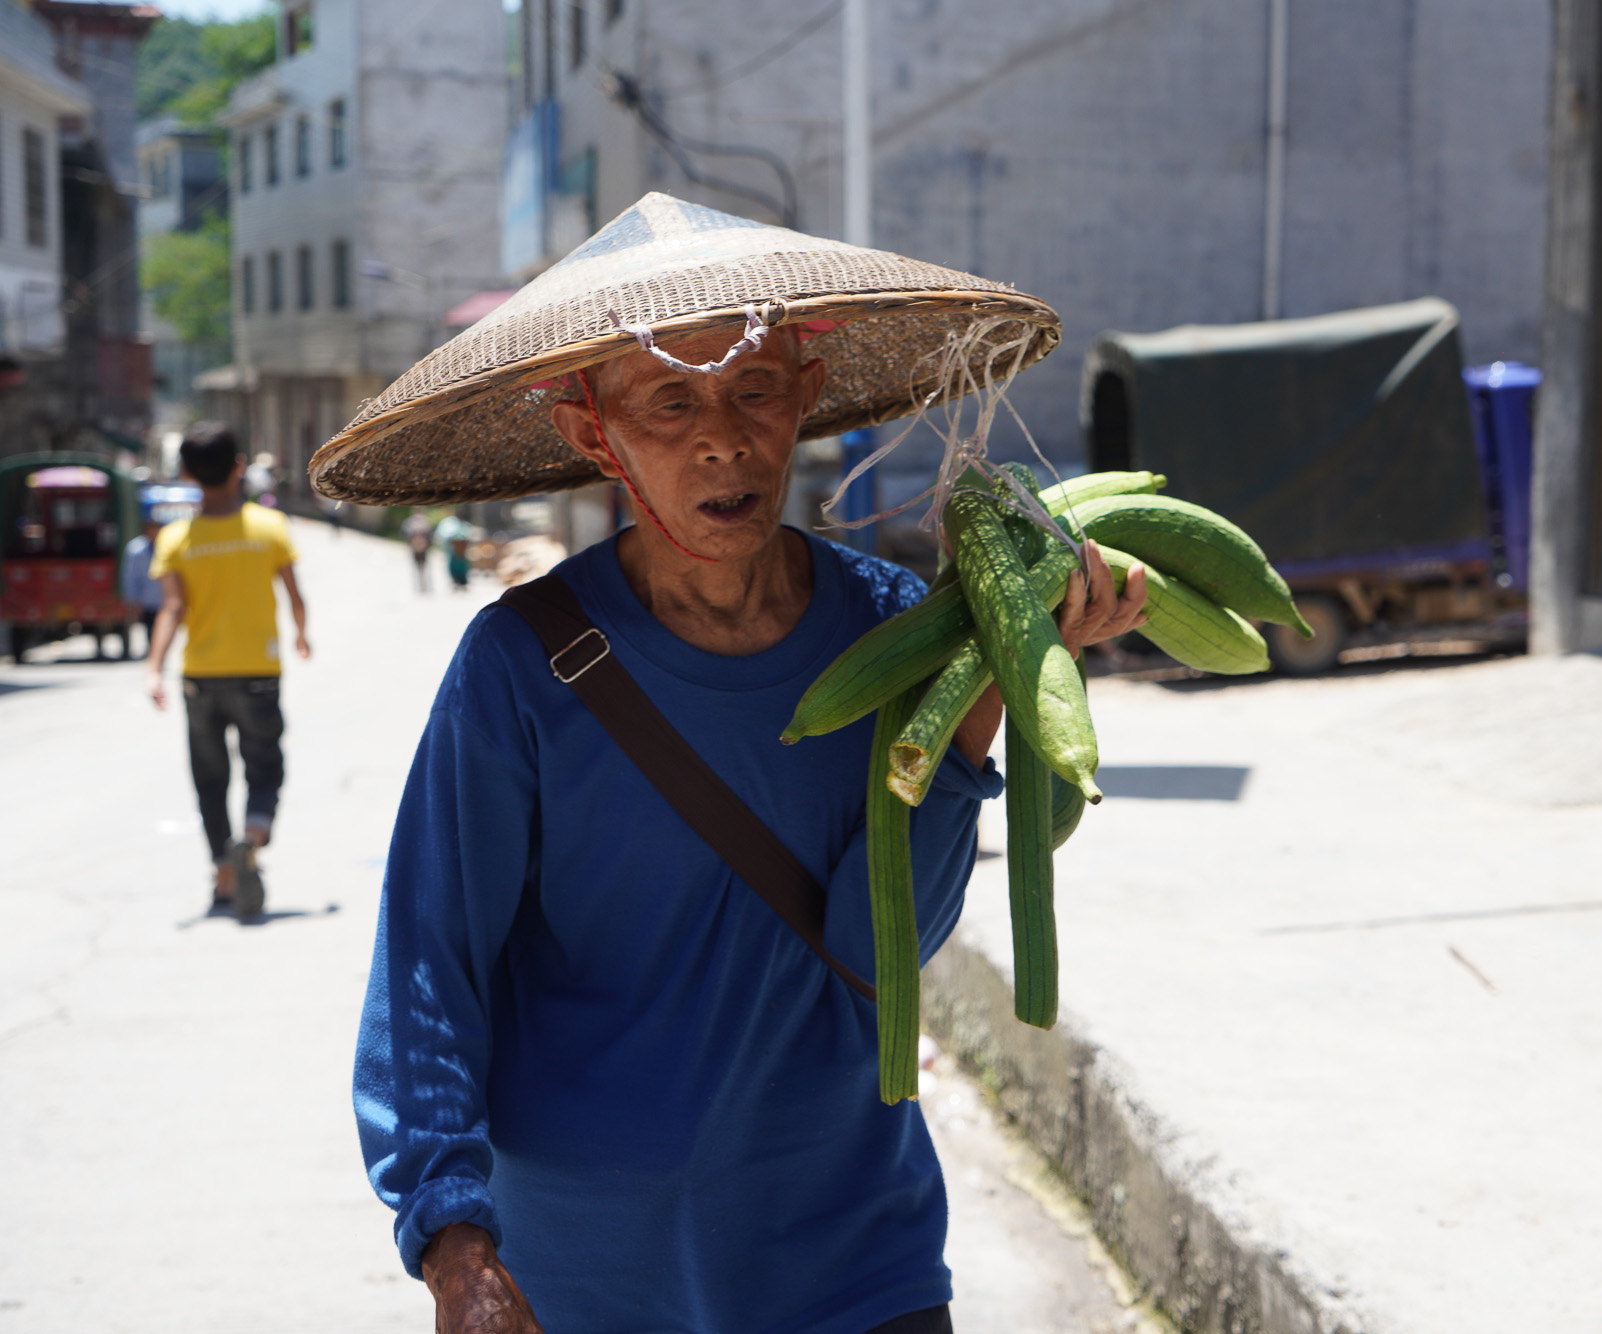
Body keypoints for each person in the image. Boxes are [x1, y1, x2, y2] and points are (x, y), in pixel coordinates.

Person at [336, 193, 1141, 1333]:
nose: (723, 436)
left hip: (854, 1256)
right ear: (590, 434)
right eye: (670, 400)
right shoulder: (521, 666)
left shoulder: (892, 627)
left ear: (804, 398)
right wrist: (452, 1240)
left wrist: (993, 691)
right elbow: (430, 963)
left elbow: (878, 949)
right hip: (588, 1277)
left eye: (753, 388)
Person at [145, 422, 311, 919]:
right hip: (259, 671)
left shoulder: (176, 538)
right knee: (264, 768)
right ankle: (253, 838)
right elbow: (294, 595)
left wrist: (154, 668)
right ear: (240, 467)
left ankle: (222, 876)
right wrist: (302, 634)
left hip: (200, 675)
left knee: (210, 777)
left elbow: (171, 609)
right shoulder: (269, 527)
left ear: (185, 473)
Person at [119, 509, 165, 658]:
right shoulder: (136, 549)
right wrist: (132, 599)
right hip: (147, 599)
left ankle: (160, 653)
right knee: (150, 628)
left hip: (165, 598)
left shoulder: (167, 546)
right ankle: (153, 653)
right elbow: (130, 576)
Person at [401, 509, 434, 593]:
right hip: (419, 547)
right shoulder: (423, 521)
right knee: (421, 567)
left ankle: (423, 586)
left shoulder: (423, 521)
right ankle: (422, 586)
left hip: (419, 547)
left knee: (420, 567)